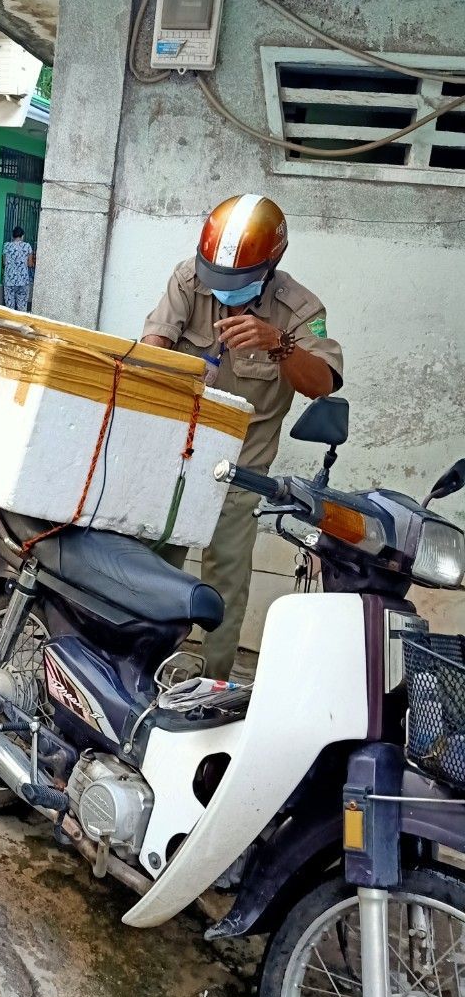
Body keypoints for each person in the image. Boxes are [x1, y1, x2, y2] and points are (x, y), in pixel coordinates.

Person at [141, 194, 344, 680]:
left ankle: (213, 682)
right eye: (217, 276)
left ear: (272, 264)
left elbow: (322, 383)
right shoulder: (189, 279)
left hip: (240, 473)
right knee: (151, 569)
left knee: (225, 583)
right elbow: (153, 345)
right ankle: (140, 668)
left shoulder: (299, 309)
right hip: (177, 456)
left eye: (237, 279)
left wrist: (280, 344)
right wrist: (163, 356)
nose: (222, 288)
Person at [1, 225, 35, 312]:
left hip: (9, 280)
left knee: (9, 307)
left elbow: (4, 263)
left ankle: (9, 320)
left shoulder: (6, 246)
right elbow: (30, 264)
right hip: (23, 281)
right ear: (22, 236)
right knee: (22, 307)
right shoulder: (27, 246)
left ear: (12, 236)